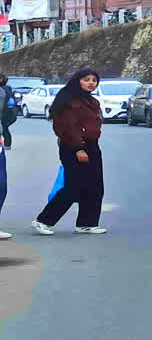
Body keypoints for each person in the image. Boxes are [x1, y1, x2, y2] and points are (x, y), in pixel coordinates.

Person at [32, 68, 106, 236]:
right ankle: (43, 221)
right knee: (73, 187)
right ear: (77, 80)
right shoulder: (69, 100)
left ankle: (87, 224)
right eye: (86, 79)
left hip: (92, 146)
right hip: (73, 147)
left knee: (95, 186)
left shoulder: (91, 102)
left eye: (94, 80)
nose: (91, 83)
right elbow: (67, 127)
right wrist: (78, 148)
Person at [0, 75, 14, 150]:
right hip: (6, 112)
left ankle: (7, 144)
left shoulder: (5, 89)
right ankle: (7, 144)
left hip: (6, 112)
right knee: (4, 128)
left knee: (4, 128)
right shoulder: (6, 88)